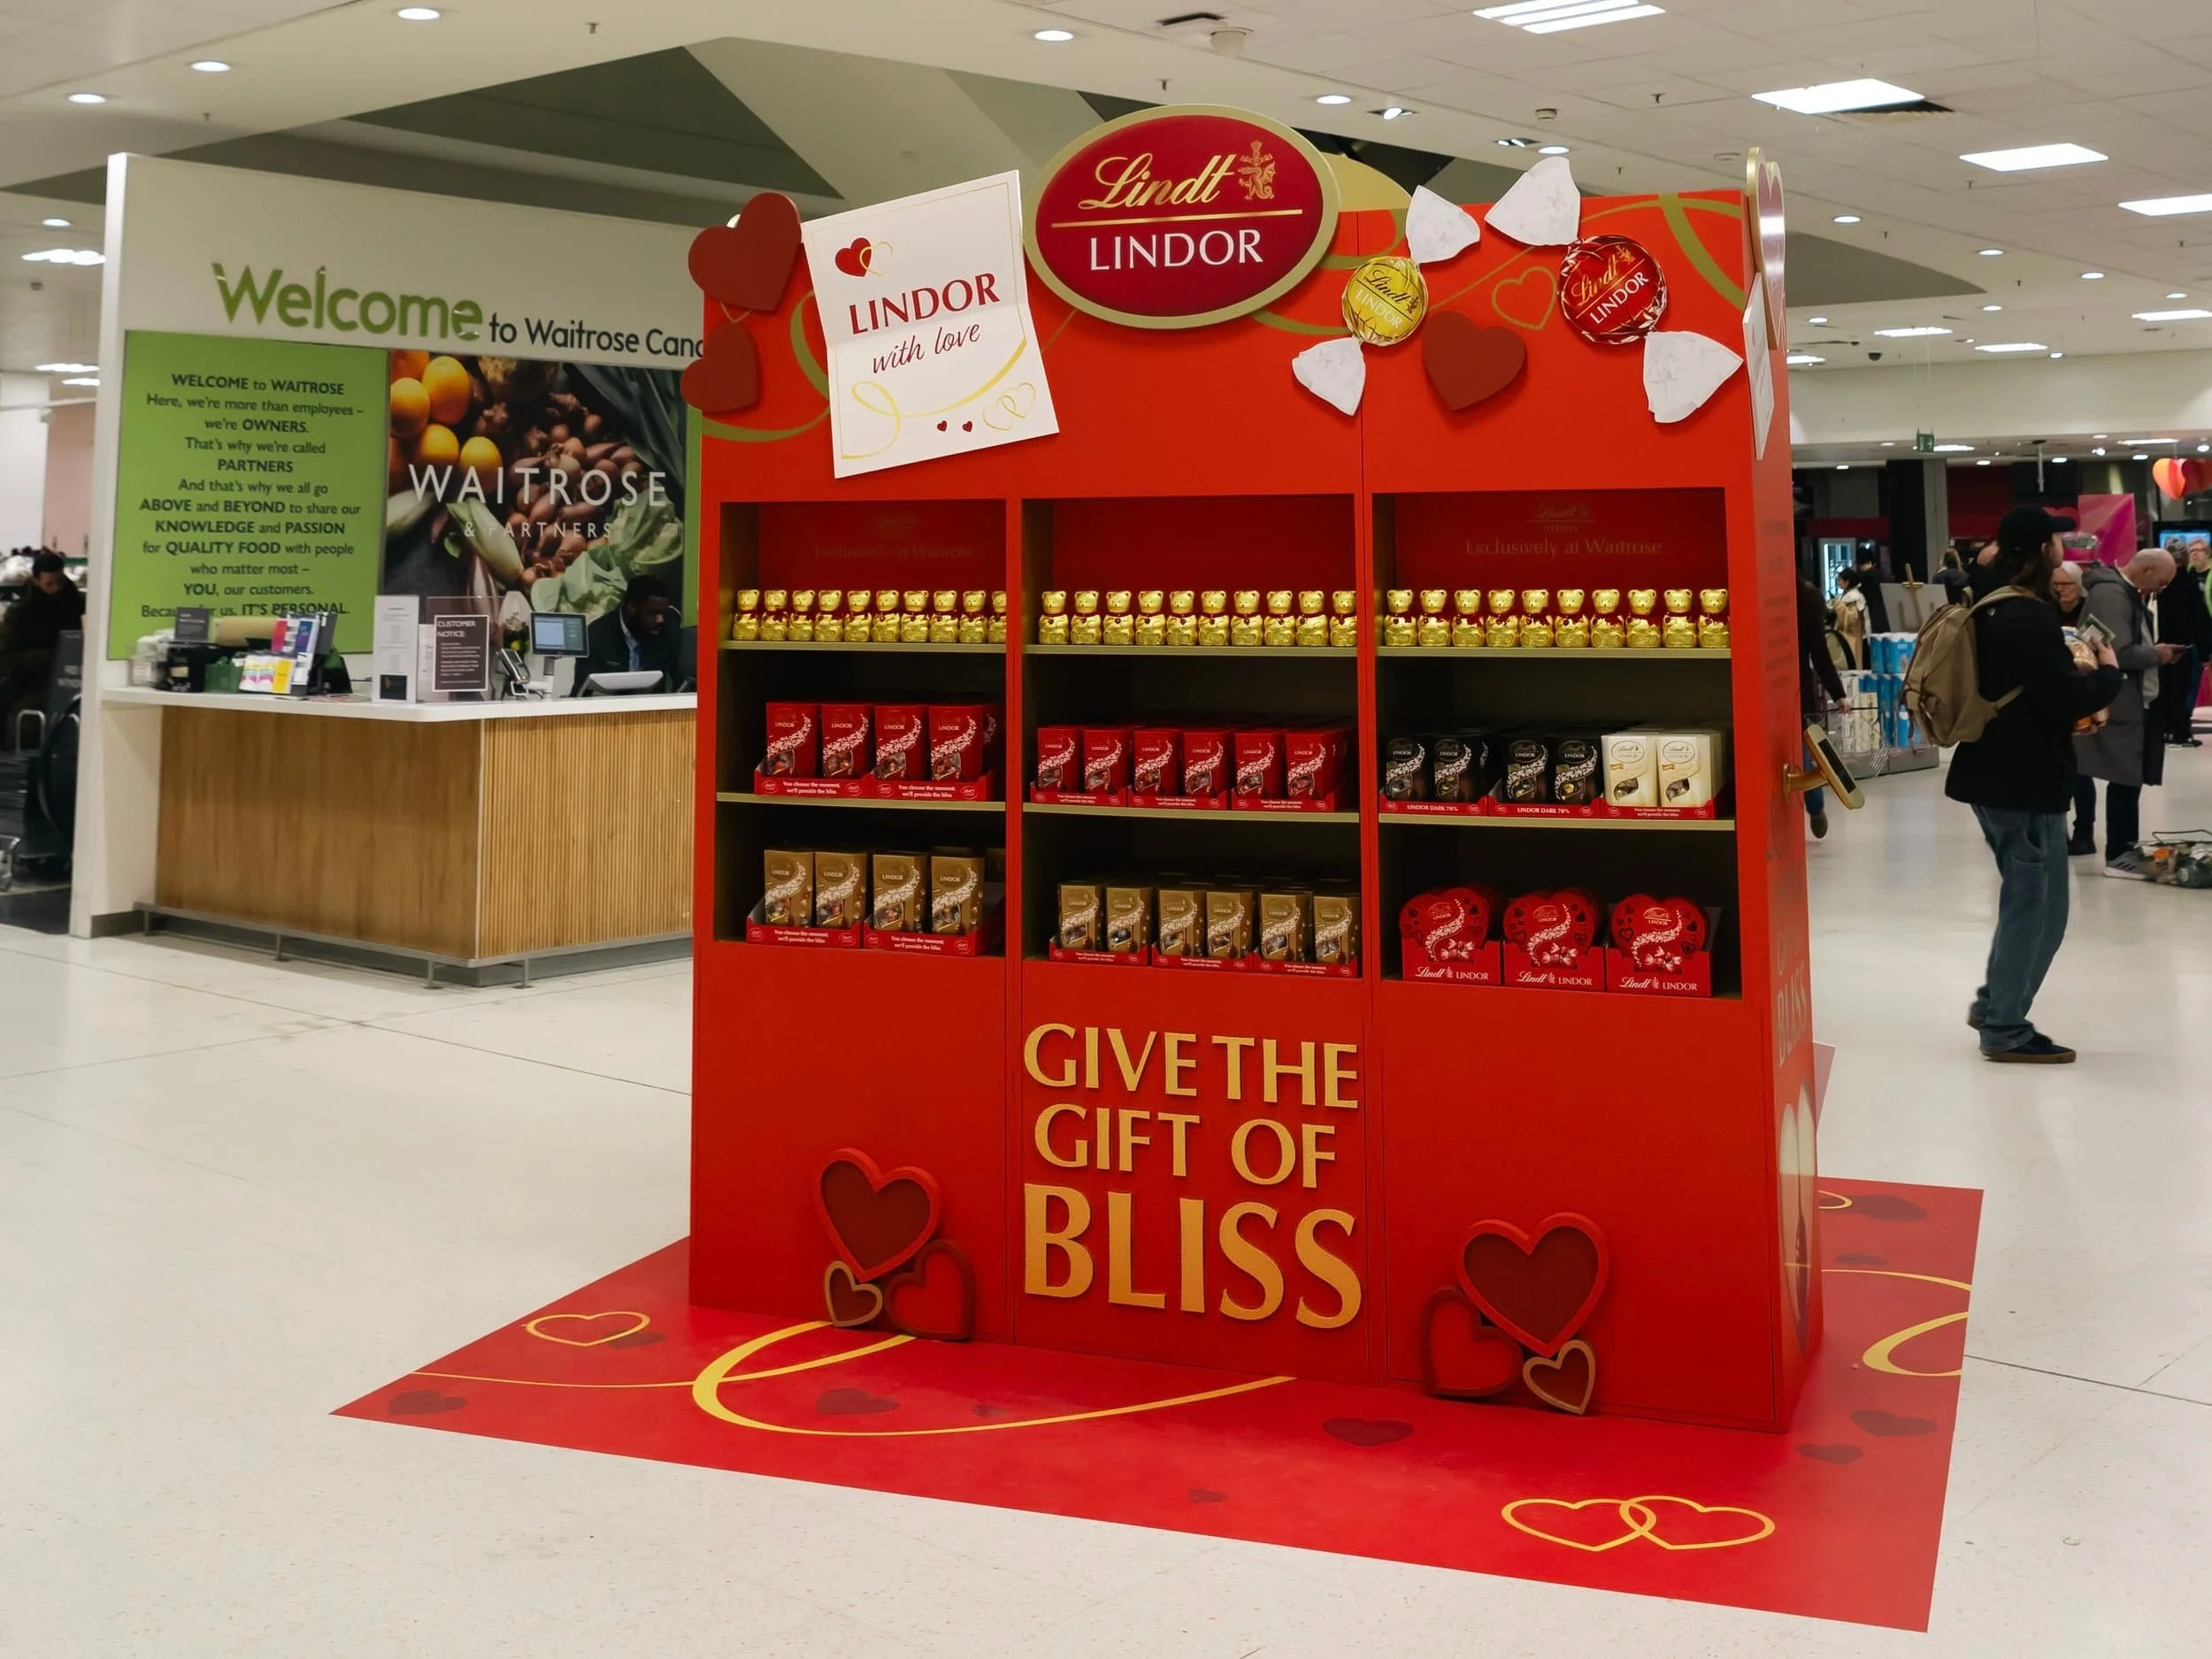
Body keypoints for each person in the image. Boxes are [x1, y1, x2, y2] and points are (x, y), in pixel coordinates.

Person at [1946, 507, 2121, 1064]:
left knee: (2028, 900)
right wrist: (2108, 671)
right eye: (2054, 542)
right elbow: (2069, 699)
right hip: (2024, 780)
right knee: (2039, 909)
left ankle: (1996, 1002)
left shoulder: (1988, 602)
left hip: (1990, 772)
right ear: (2042, 548)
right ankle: (2004, 1027)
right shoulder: (2029, 617)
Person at [2077, 548, 2179, 879]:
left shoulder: (2119, 593)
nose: (2159, 590)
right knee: (2124, 776)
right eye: (2160, 583)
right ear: (2147, 570)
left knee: (2129, 776)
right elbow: (2116, 651)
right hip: (2120, 699)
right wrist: (2156, 654)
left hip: (2129, 697)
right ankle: (2119, 854)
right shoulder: (2110, 594)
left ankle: (2123, 850)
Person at [0, 550, 87, 742]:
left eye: (59, 582)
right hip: (32, 683)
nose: (56, 588)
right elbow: (6, 657)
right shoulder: (20, 613)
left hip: (75, 680)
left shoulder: (80, 605)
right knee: (26, 723)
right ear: (36, 581)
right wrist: (52, 657)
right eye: (49, 584)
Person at [2048, 560, 2100, 854]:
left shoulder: (2091, 612)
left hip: (2082, 694)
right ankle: (2057, 832)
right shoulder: (2045, 611)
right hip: (2053, 694)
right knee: (2057, 768)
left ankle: (2085, 832)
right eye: (2055, 584)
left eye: (2065, 585)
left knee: (2082, 770)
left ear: (2078, 586)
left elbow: (2102, 646)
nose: (2060, 590)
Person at [1799, 574, 1847, 838]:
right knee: (1804, 749)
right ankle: (1815, 807)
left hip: (1794, 689)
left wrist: (1838, 693)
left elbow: (1819, 652)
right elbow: (1820, 652)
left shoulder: (1804, 600)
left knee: (1803, 750)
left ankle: (1815, 806)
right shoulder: (1807, 597)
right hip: (1797, 686)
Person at [576, 574, 679, 692]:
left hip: (652, 707)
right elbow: (583, 688)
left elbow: (681, 676)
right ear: (632, 607)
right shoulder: (597, 634)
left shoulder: (668, 627)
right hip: (610, 706)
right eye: (653, 612)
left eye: (663, 612)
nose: (660, 619)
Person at [2156, 539, 2209, 748]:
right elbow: (2199, 619)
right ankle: (2180, 731)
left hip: (2160, 644)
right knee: (2184, 689)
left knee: (2165, 688)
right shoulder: (2189, 584)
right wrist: (2206, 652)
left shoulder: (2159, 584)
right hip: (2185, 645)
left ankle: (2165, 729)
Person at [1832, 568, 1870, 667]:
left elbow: (1851, 619)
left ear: (1847, 582)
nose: (1838, 582)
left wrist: (1838, 605)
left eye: (1840, 580)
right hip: (1846, 638)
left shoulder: (1854, 597)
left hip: (1852, 638)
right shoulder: (1847, 595)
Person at [1852, 550, 1892, 634]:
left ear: (1870, 562)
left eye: (1861, 564)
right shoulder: (1884, 575)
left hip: (1873, 614)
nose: (1860, 567)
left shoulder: (1866, 577)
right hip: (1888, 615)